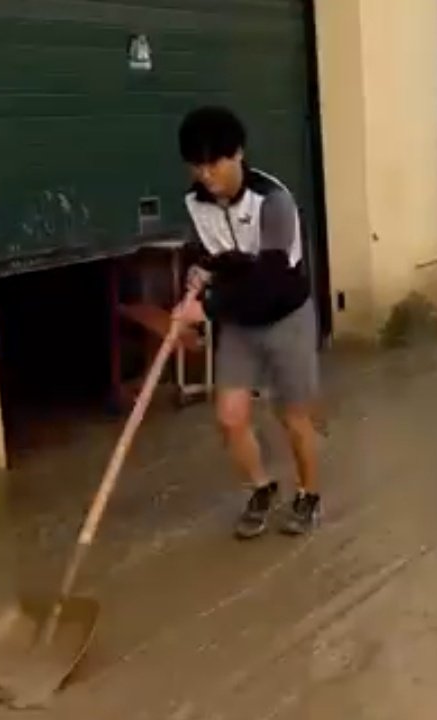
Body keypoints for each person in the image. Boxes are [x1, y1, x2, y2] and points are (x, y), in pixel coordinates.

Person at [173, 106, 321, 538]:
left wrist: (208, 309)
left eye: (214, 163)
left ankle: (309, 495)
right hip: (239, 320)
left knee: (292, 416)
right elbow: (208, 255)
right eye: (197, 166)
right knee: (230, 416)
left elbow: (272, 279)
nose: (206, 174)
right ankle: (262, 488)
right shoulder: (196, 203)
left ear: (238, 154)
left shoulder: (274, 202)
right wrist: (196, 281)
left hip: (285, 314)